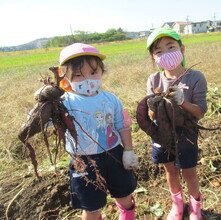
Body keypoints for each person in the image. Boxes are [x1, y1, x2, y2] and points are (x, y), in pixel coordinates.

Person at [58, 43, 138, 220]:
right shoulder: (63, 102)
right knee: (91, 207)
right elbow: (45, 122)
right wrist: (44, 102)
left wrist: (129, 150)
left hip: (114, 154)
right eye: (78, 75)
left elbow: (122, 125)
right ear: (66, 78)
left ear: (101, 72)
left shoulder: (110, 99)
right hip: (83, 161)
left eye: (93, 73)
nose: (88, 79)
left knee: (124, 196)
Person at [145, 28, 208, 220]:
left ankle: (195, 206)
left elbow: (200, 112)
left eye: (171, 47)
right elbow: (152, 115)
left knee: (189, 172)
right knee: (170, 170)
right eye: (159, 51)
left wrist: (182, 102)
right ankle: (177, 204)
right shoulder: (154, 79)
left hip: (186, 131)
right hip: (162, 133)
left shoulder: (195, 77)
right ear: (153, 57)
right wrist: (152, 106)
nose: (166, 53)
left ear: (182, 48)